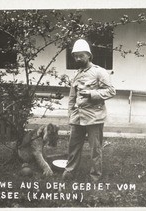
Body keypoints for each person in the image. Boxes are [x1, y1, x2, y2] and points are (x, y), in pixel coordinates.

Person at [62, 39, 116, 182]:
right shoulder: (77, 74)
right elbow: (72, 96)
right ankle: (69, 173)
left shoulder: (100, 72)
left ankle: (95, 177)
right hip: (78, 117)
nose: (78, 58)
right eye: (75, 56)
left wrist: (93, 94)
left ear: (89, 55)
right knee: (73, 147)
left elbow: (111, 91)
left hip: (94, 117)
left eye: (81, 55)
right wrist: (70, 113)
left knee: (95, 150)